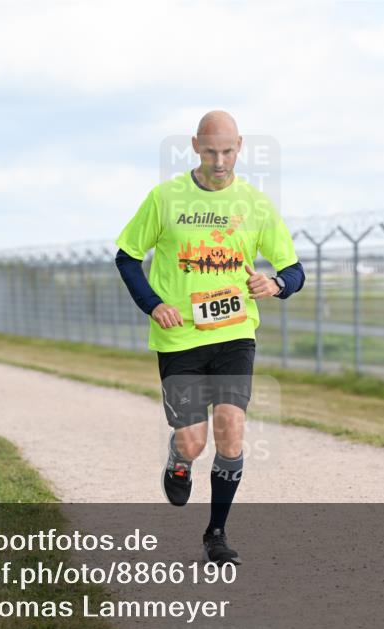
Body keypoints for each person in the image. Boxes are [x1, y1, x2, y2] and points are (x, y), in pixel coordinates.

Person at [114, 111, 305, 566]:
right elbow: (126, 257)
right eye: (210, 151)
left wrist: (275, 285)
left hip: (235, 334)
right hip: (179, 339)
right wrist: (153, 303)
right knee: (194, 441)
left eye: (228, 151)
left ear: (240, 146)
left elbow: (294, 271)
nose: (220, 161)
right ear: (195, 146)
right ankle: (179, 458)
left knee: (231, 431)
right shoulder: (165, 198)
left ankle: (216, 534)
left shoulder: (256, 205)